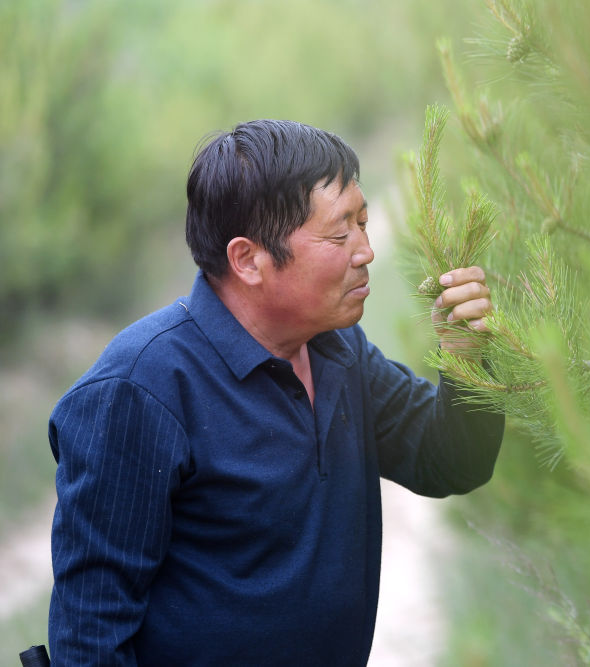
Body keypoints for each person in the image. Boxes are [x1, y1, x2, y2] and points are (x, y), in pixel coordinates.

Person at [46, 119, 505, 665]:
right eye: (340, 234)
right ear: (247, 260)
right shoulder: (139, 391)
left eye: (363, 223)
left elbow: (449, 461)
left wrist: (467, 362)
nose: (365, 251)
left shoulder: (338, 351)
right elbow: (90, 635)